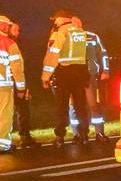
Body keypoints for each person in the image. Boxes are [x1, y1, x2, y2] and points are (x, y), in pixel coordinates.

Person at [42, 9, 89, 146]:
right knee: (80, 106)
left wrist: (45, 76)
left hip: (64, 73)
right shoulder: (80, 32)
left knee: (61, 106)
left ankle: (60, 137)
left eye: (55, 19)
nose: (55, 22)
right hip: (79, 73)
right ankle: (84, 135)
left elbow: (52, 55)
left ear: (62, 19)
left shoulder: (60, 33)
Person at [67, 17, 110, 142]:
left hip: (90, 75)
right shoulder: (66, 38)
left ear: (81, 23)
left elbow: (103, 53)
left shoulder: (92, 37)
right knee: (73, 106)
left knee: (93, 104)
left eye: (76, 23)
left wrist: (106, 70)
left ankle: (99, 133)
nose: (75, 25)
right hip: (73, 77)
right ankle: (76, 134)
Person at [0, 17, 34, 149]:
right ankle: (3, 145)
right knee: (4, 116)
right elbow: (18, 69)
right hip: (4, 86)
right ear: (4, 27)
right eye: (10, 27)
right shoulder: (8, 43)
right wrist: (21, 88)